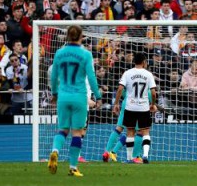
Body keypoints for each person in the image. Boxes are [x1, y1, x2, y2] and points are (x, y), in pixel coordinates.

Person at [48, 25, 102, 177]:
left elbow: (53, 76)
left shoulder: (59, 53)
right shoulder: (85, 54)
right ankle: (73, 167)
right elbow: (91, 77)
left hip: (63, 95)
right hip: (79, 96)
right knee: (77, 132)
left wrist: (54, 93)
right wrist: (98, 96)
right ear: (81, 36)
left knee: (63, 129)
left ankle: (55, 151)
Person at [113, 53, 158, 164]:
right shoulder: (148, 74)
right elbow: (153, 93)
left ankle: (129, 158)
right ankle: (145, 155)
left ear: (134, 62)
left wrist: (116, 103)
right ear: (144, 62)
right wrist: (153, 104)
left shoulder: (127, 73)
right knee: (145, 132)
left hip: (130, 107)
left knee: (130, 132)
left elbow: (119, 89)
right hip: (143, 108)